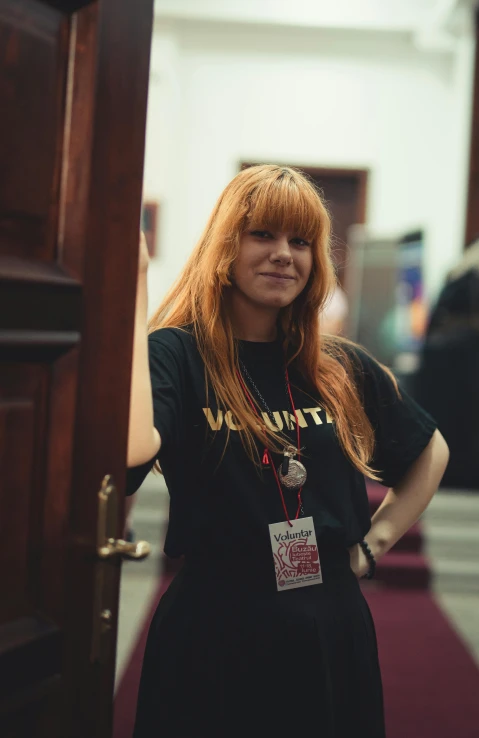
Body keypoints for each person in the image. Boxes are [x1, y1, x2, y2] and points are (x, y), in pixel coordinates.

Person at [126, 164, 449, 738]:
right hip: (216, 625)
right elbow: (134, 449)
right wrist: (136, 287)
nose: (284, 254)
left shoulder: (337, 365)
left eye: (300, 241)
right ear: (226, 246)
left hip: (330, 623)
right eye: (263, 235)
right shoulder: (176, 353)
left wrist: (372, 546)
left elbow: (431, 451)